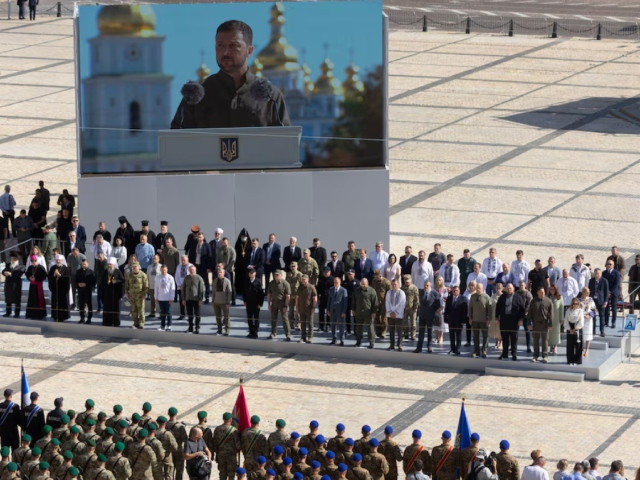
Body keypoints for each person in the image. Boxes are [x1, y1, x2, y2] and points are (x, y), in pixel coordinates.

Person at [171, 20, 289, 129]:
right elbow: (176, 141)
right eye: (220, 45)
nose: (225, 52)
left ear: (249, 51)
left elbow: (287, 142)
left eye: (233, 46)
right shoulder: (195, 96)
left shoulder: (270, 96)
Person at [496, 283, 525, 361]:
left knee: (514, 339)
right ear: (505, 289)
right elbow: (497, 308)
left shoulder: (518, 297)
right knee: (504, 338)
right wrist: (496, 318)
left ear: (513, 289)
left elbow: (522, 310)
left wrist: (521, 319)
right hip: (504, 321)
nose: (509, 290)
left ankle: (514, 354)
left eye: (510, 288)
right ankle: (504, 354)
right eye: (508, 288)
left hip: (514, 321)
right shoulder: (502, 297)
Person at [528, 286, 553, 363]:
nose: (543, 294)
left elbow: (551, 314)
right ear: (537, 292)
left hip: (544, 324)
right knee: (535, 340)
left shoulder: (548, 301)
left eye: (544, 292)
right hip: (535, 324)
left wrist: (550, 324)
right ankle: (535, 355)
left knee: (545, 341)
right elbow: (530, 314)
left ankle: (545, 356)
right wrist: (529, 323)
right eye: (541, 292)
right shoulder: (533, 301)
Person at [415, 281, 440, 354]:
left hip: (430, 316)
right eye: (425, 285)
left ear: (430, 286)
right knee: (421, 332)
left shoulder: (435, 293)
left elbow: (437, 304)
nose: (426, 287)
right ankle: (419, 348)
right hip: (422, 315)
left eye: (427, 285)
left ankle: (429, 346)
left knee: (430, 332)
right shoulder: (421, 292)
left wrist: (433, 312)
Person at [352, 278, 378, 349]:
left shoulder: (372, 291)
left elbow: (375, 303)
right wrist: (353, 310)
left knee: (370, 328)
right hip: (358, 312)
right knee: (358, 328)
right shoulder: (357, 290)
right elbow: (354, 301)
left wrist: (374, 312)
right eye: (362, 284)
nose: (363, 285)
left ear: (367, 283)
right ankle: (358, 341)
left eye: (364, 284)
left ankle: (371, 342)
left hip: (368, 313)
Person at [469, 283, 491, 358]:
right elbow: (470, 308)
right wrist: (470, 318)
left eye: (479, 288)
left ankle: (484, 351)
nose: (478, 289)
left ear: (482, 288)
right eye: (477, 287)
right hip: (475, 320)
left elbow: (489, 309)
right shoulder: (473, 296)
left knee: (485, 336)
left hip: (484, 321)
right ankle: (476, 351)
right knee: (475, 337)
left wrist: (488, 319)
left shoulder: (487, 297)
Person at [445, 286, 467, 356]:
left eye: (456, 290)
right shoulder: (449, 298)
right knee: (451, 335)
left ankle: (458, 349)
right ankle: (452, 348)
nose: (455, 292)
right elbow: (446, 309)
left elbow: (465, 311)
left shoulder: (463, 298)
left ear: (459, 291)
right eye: (453, 291)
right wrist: (445, 318)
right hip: (451, 320)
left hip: (459, 320)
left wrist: (464, 320)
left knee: (458, 335)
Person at [102, 257, 124, 327]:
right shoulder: (105, 271)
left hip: (115, 294)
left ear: (114, 264)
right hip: (107, 293)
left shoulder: (118, 271)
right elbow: (102, 281)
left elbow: (122, 281)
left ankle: (116, 322)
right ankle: (107, 322)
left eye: (110, 264)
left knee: (115, 308)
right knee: (107, 308)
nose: (109, 266)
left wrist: (116, 281)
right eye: (108, 264)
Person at [183, 265, 205, 334]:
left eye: (193, 269)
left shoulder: (199, 278)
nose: (192, 271)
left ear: (195, 270)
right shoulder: (186, 278)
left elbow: (201, 289)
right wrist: (183, 299)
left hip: (196, 299)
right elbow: (183, 289)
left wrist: (200, 299)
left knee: (197, 314)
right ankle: (190, 327)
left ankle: (197, 327)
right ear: (189, 270)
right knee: (190, 315)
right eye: (191, 269)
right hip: (188, 299)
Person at [385, 279, 406, 351]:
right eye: (392, 284)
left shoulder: (402, 293)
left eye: (395, 284)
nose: (394, 286)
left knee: (399, 331)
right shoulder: (388, 292)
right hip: (390, 315)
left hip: (399, 315)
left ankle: (399, 345)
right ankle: (392, 345)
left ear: (398, 284)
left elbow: (402, 304)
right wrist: (390, 312)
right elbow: (387, 302)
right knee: (391, 331)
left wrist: (396, 313)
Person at [125, 263, 148, 329]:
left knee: (141, 310)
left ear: (138, 267)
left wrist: (144, 294)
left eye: (135, 267)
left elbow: (146, 286)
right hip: (132, 296)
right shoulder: (130, 275)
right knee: (133, 310)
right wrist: (127, 293)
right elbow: (127, 285)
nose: (134, 268)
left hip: (140, 296)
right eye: (133, 267)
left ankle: (141, 323)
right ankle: (135, 323)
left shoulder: (143, 275)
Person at [48, 255, 70, 322]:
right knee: (55, 303)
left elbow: (67, 278)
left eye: (59, 260)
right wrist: (54, 275)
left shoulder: (65, 268)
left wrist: (60, 275)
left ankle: (63, 316)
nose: (58, 261)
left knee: (63, 303)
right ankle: (55, 315)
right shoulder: (52, 268)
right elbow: (49, 277)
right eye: (57, 260)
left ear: (62, 261)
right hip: (55, 289)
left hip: (63, 289)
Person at [244, 267, 265, 338]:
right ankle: (251, 331)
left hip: (256, 303)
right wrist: (244, 301)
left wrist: (260, 304)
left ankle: (256, 332)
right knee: (249, 318)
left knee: (256, 318)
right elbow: (244, 293)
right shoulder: (246, 281)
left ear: (255, 273)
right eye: (250, 273)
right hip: (249, 303)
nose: (251, 274)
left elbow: (261, 294)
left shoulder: (258, 282)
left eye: (252, 273)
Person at [25, 255, 48, 320]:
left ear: (37, 261)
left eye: (35, 261)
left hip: (38, 286)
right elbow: (27, 274)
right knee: (32, 299)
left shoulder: (41, 267)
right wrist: (29, 278)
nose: (33, 262)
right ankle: (31, 314)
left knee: (39, 300)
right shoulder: (30, 268)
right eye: (32, 261)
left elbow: (44, 275)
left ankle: (40, 314)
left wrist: (36, 279)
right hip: (32, 286)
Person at [296, 275, 317, 343]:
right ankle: (303, 337)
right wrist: (297, 307)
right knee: (302, 323)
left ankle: (310, 337)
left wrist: (313, 307)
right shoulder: (300, 287)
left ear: (308, 279)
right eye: (302, 279)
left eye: (304, 279)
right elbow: (297, 298)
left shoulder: (311, 287)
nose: (303, 281)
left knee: (310, 323)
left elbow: (314, 298)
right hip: (302, 308)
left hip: (309, 308)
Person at [3, 253, 24, 318]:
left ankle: (17, 313)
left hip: (16, 284)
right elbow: (3, 270)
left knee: (17, 299)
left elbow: (19, 274)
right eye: (11, 258)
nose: (12, 259)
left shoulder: (21, 266)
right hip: (8, 284)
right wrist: (4, 272)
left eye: (14, 258)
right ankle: (8, 312)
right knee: (8, 299)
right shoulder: (8, 264)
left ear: (17, 259)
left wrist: (11, 274)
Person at [564, 297, 584, 365]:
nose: (575, 305)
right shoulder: (568, 310)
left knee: (578, 345)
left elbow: (581, 321)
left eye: (576, 303)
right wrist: (569, 329)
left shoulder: (580, 311)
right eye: (574, 303)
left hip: (577, 328)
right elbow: (566, 320)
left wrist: (575, 329)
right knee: (570, 345)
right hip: (570, 328)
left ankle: (577, 360)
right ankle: (570, 360)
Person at [213, 268, 233, 336]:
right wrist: (213, 300)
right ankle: (219, 330)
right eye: (218, 272)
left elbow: (229, 293)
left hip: (224, 302)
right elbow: (213, 292)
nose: (219, 273)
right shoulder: (215, 281)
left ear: (224, 273)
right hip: (216, 301)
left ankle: (227, 330)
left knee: (226, 317)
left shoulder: (227, 281)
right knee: (218, 317)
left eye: (221, 272)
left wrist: (228, 302)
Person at [155, 264, 175, 331]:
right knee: (162, 313)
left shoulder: (170, 278)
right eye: (162, 270)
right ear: (160, 270)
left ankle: (169, 325)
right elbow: (156, 288)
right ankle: (162, 325)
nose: (163, 271)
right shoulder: (157, 277)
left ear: (167, 270)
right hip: (160, 298)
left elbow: (172, 288)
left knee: (168, 312)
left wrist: (172, 298)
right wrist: (156, 297)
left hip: (168, 298)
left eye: (165, 270)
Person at [588, 269, 608, 337]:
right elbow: (589, 290)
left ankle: (602, 331)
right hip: (592, 302)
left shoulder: (604, 281)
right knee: (593, 316)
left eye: (598, 273)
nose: (597, 275)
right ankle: (593, 331)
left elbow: (606, 292)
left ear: (601, 274)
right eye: (596, 273)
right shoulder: (591, 280)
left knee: (601, 316)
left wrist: (605, 302)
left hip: (601, 301)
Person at [602, 260, 621, 330]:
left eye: (610, 264)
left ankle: (613, 322)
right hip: (606, 293)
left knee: (614, 308)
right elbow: (603, 283)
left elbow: (617, 284)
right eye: (607, 264)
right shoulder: (604, 273)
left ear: (613, 265)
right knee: (606, 308)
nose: (608, 265)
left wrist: (610, 292)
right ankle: (606, 322)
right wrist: (607, 292)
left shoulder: (616, 273)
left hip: (614, 293)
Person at [579, 287, 597, 357]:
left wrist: (589, 315)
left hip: (588, 320)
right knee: (582, 334)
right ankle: (581, 349)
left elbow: (594, 310)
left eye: (588, 292)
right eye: (586, 292)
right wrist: (583, 315)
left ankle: (587, 349)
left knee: (588, 334)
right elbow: (577, 310)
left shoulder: (591, 300)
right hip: (582, 319)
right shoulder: (579, 300)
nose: (587, 293)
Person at [548, 286, 563, 355]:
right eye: (550, 289)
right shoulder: (547, 297)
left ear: (556, 290)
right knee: (550, 332)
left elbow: (561, 309)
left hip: (557, 318)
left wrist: (561, 318)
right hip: (549, 318)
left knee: (556, 332)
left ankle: (555, 346)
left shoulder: (560, 298)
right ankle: (551, 346)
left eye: (553, 289)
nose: (552, 290)